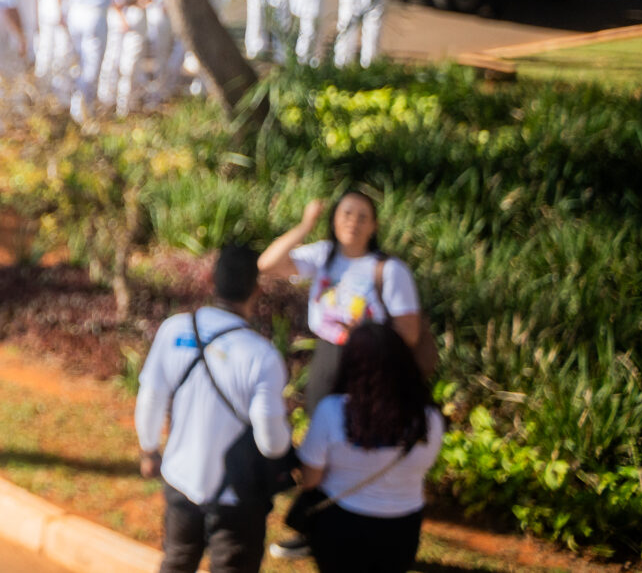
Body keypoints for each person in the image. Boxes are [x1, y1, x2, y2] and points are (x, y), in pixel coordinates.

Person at [137, 244, 293, 573]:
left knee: (177, 561)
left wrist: (149, 450)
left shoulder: (174, 330)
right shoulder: (262, 355)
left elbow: (151, 397)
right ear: (257, 289)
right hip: (237, 498)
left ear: (211, 279)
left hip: (180, 480)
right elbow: (272, 443)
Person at [293, 323, 443, 573]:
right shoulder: (430, 419)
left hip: (341, 526)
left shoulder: (332, 411)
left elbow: (310, 480)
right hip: (403, 528)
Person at [259, 190, 424, 405]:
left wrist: (367, 334)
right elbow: (267, 265)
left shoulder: (390, 269)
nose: (353, 222)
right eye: (346, 214)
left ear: (374, 226)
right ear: (333, 219)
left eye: (362, 217)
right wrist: (305, 225)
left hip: (373, 361)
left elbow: (409, 333)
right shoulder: (322, 256)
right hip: (327, 358)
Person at [59, 0, 130, 120]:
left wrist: (61, 11)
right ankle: (81, 109)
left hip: (74, 13)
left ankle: (75, 104)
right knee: (91, 65)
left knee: (77, 60)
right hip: (95, 16)